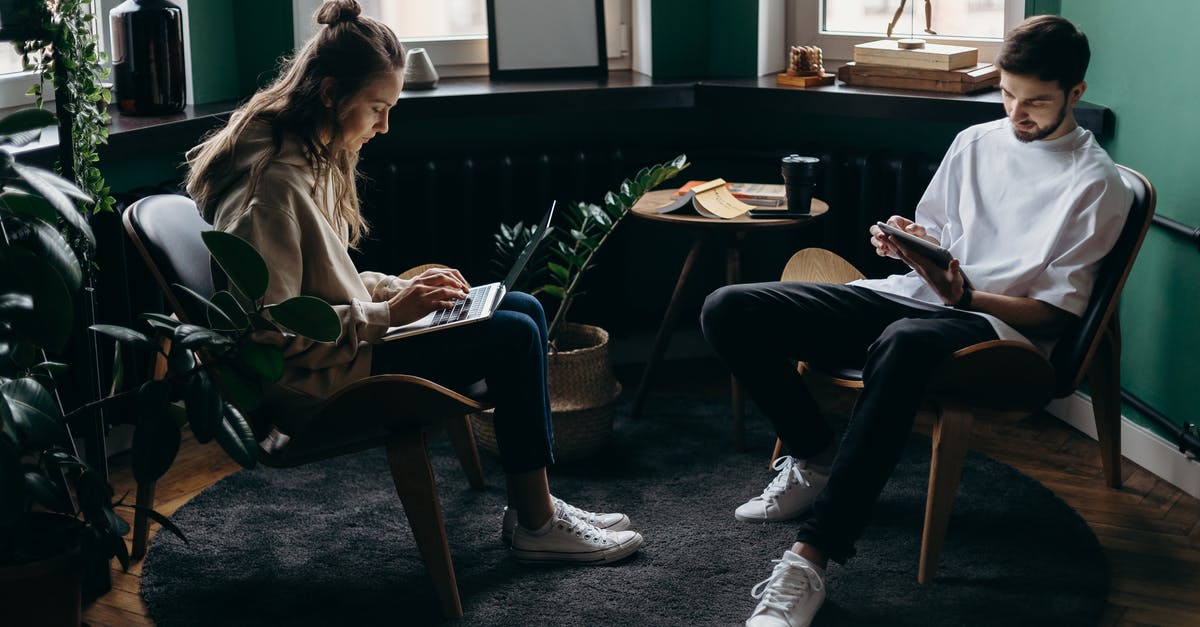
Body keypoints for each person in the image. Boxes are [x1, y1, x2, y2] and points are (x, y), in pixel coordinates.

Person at [700, 15, 1130, 627]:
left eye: (1036, 101)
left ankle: (812, 557)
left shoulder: (1095, 184)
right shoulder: (976, 142)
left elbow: (1054, 314)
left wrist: (966, 298)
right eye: (1008, 94)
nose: (1017, 113)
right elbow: (944, 233)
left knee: (901, 344)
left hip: (998, 332)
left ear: (1076, 95)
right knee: (729, 309)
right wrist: (912, 242)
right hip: (918, 295)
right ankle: (816, 455)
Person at [184, 0, 642, 565]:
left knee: (522, 308)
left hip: (346, 351)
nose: (384, 125)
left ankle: (536, 502)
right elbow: (272, 338)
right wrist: (389, 316)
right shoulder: (271, 188)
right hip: (319, 383)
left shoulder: (304, 156)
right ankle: (536, 521)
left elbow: (327, 282)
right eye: (377, 107)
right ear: (329, 93)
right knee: (514, 336)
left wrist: (397, 290)